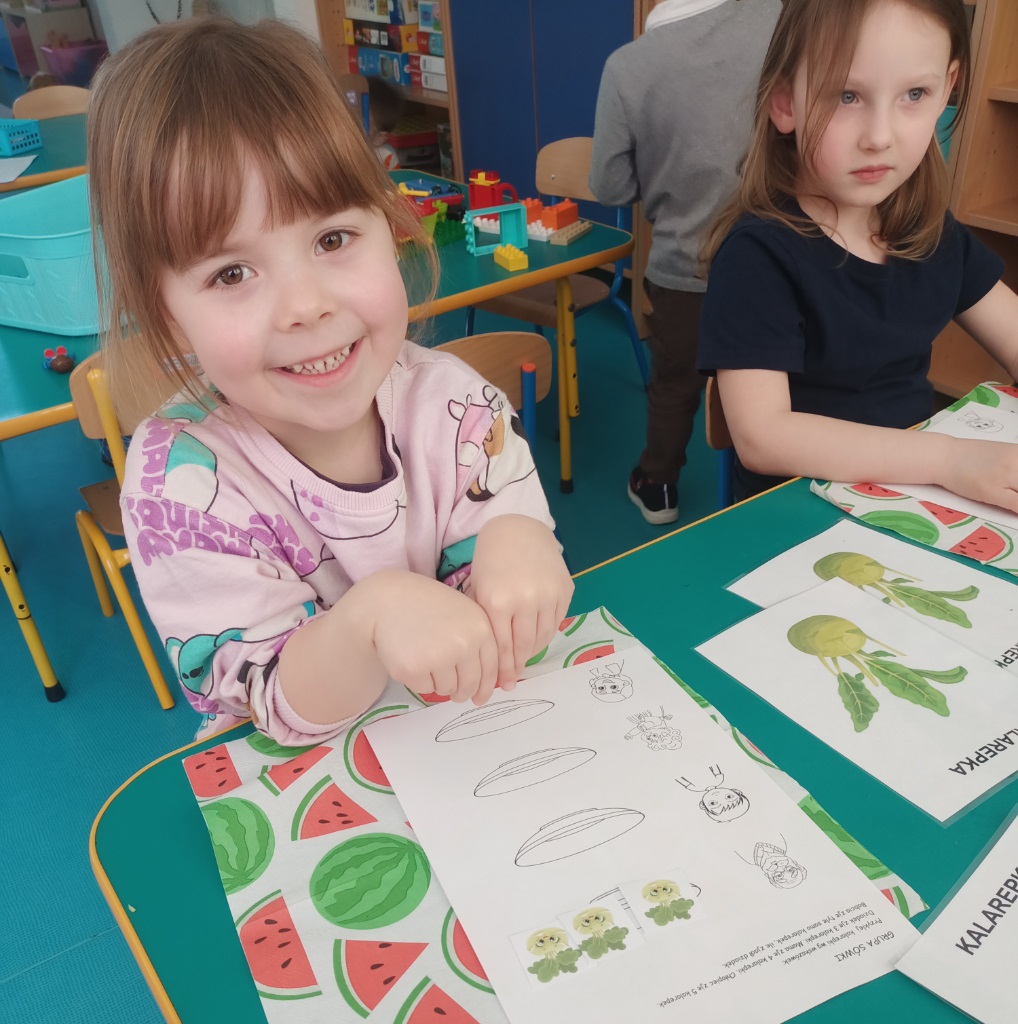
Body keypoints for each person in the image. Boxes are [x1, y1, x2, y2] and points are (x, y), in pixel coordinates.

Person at [86, 17, 573, 744]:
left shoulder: (456, 404)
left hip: (467, 740)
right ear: (168, 315)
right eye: (232, 273)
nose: (306, 306)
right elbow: (272, 703)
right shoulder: (179, 488)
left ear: (391, 229)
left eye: (333, 238)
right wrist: (369, 617)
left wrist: (517, 535)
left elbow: (501, 531)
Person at [699, 0, 1018, 506]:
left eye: (915, 94)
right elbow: (763, 437)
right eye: (847, 96)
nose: (879, 137)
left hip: (915, 495)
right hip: (801, 515)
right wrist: (949, 460)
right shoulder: (757, 256)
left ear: (948, 89)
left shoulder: (930, 231)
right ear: (784, 102)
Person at [589, 0, 781, 525]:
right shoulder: (784, 17)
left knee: (675, 384)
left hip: (687, 262)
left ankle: (657, 485)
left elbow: (610, 187)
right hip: (782, 254)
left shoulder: (629, 66)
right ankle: (776, 490)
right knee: (783, 381)